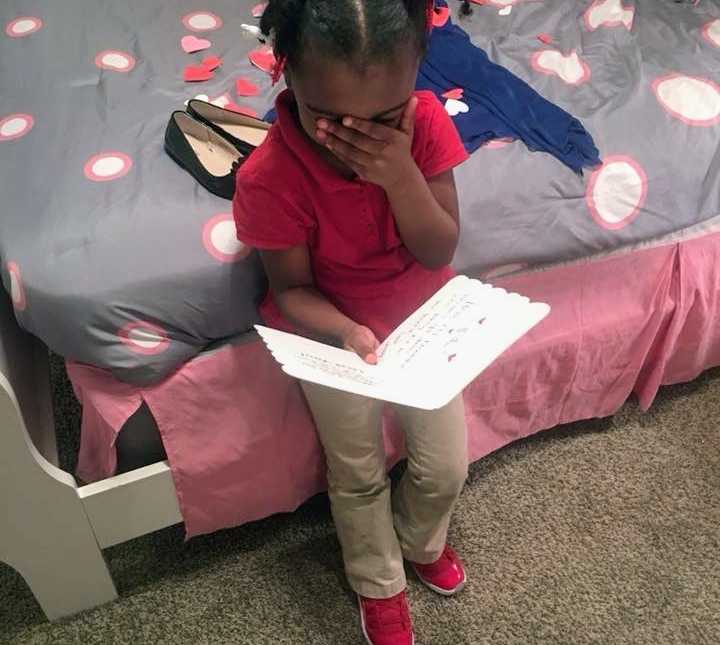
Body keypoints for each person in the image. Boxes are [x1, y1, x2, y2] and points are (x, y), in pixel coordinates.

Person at [234, 2, 470, 643]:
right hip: (329, 334)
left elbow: (439, 248)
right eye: (329, 119)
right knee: (358, 470)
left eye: (385, 118)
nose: (358, 137)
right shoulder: (269, 177)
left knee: (447, 464)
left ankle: (421, 542)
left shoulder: (423, 131)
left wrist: (400, 177)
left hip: (422, 318)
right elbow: (291, 289)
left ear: (417, 76)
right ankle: (377, 580)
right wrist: (343, 331)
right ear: (287, 76)